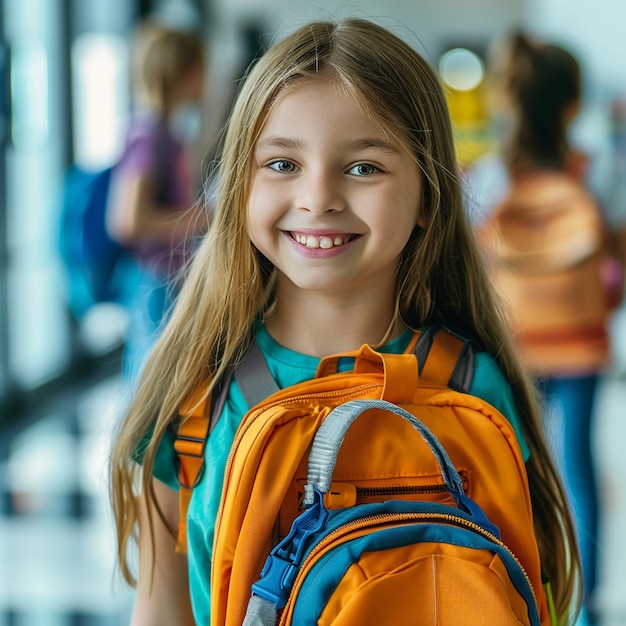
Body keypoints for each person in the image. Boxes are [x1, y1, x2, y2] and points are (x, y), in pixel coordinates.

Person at [109, 18, 582, 625]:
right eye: (282, 164)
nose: (318, 197)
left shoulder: (474, 388)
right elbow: (161, 607)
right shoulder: (193, 392)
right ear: (240, 187)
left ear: (427, 197)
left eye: (363, 168)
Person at [466, 32, 620, 626]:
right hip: (580, 339)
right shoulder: (597, 170)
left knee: (515, 466)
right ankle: (588, 605)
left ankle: (523, 591)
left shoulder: (490, 178)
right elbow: (617, 261)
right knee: (578, 469)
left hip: (513, 344)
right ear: (572, 104)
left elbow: (478, 269)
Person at [106, 19, 208, 383]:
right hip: (154, 278)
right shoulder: (149, 135)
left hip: (166, 277)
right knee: (147, 380)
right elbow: (126, 219)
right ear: (179, 72)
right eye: (199, 70)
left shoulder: (166, 132)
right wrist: (198, 220)